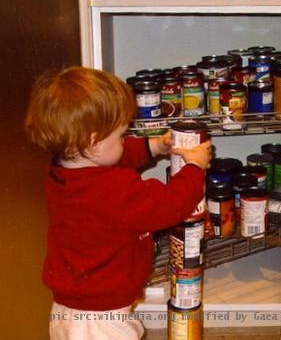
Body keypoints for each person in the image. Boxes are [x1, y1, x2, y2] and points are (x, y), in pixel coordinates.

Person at [24, 66, 212, 340]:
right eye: (121, 135)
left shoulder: (61, 170)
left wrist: (153, 147)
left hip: (68, 310)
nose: (125, 141)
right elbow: (169, 204)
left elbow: (111, 159)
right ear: (94, 143)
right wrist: (195, 168)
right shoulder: (114, 190)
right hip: (102, 322)